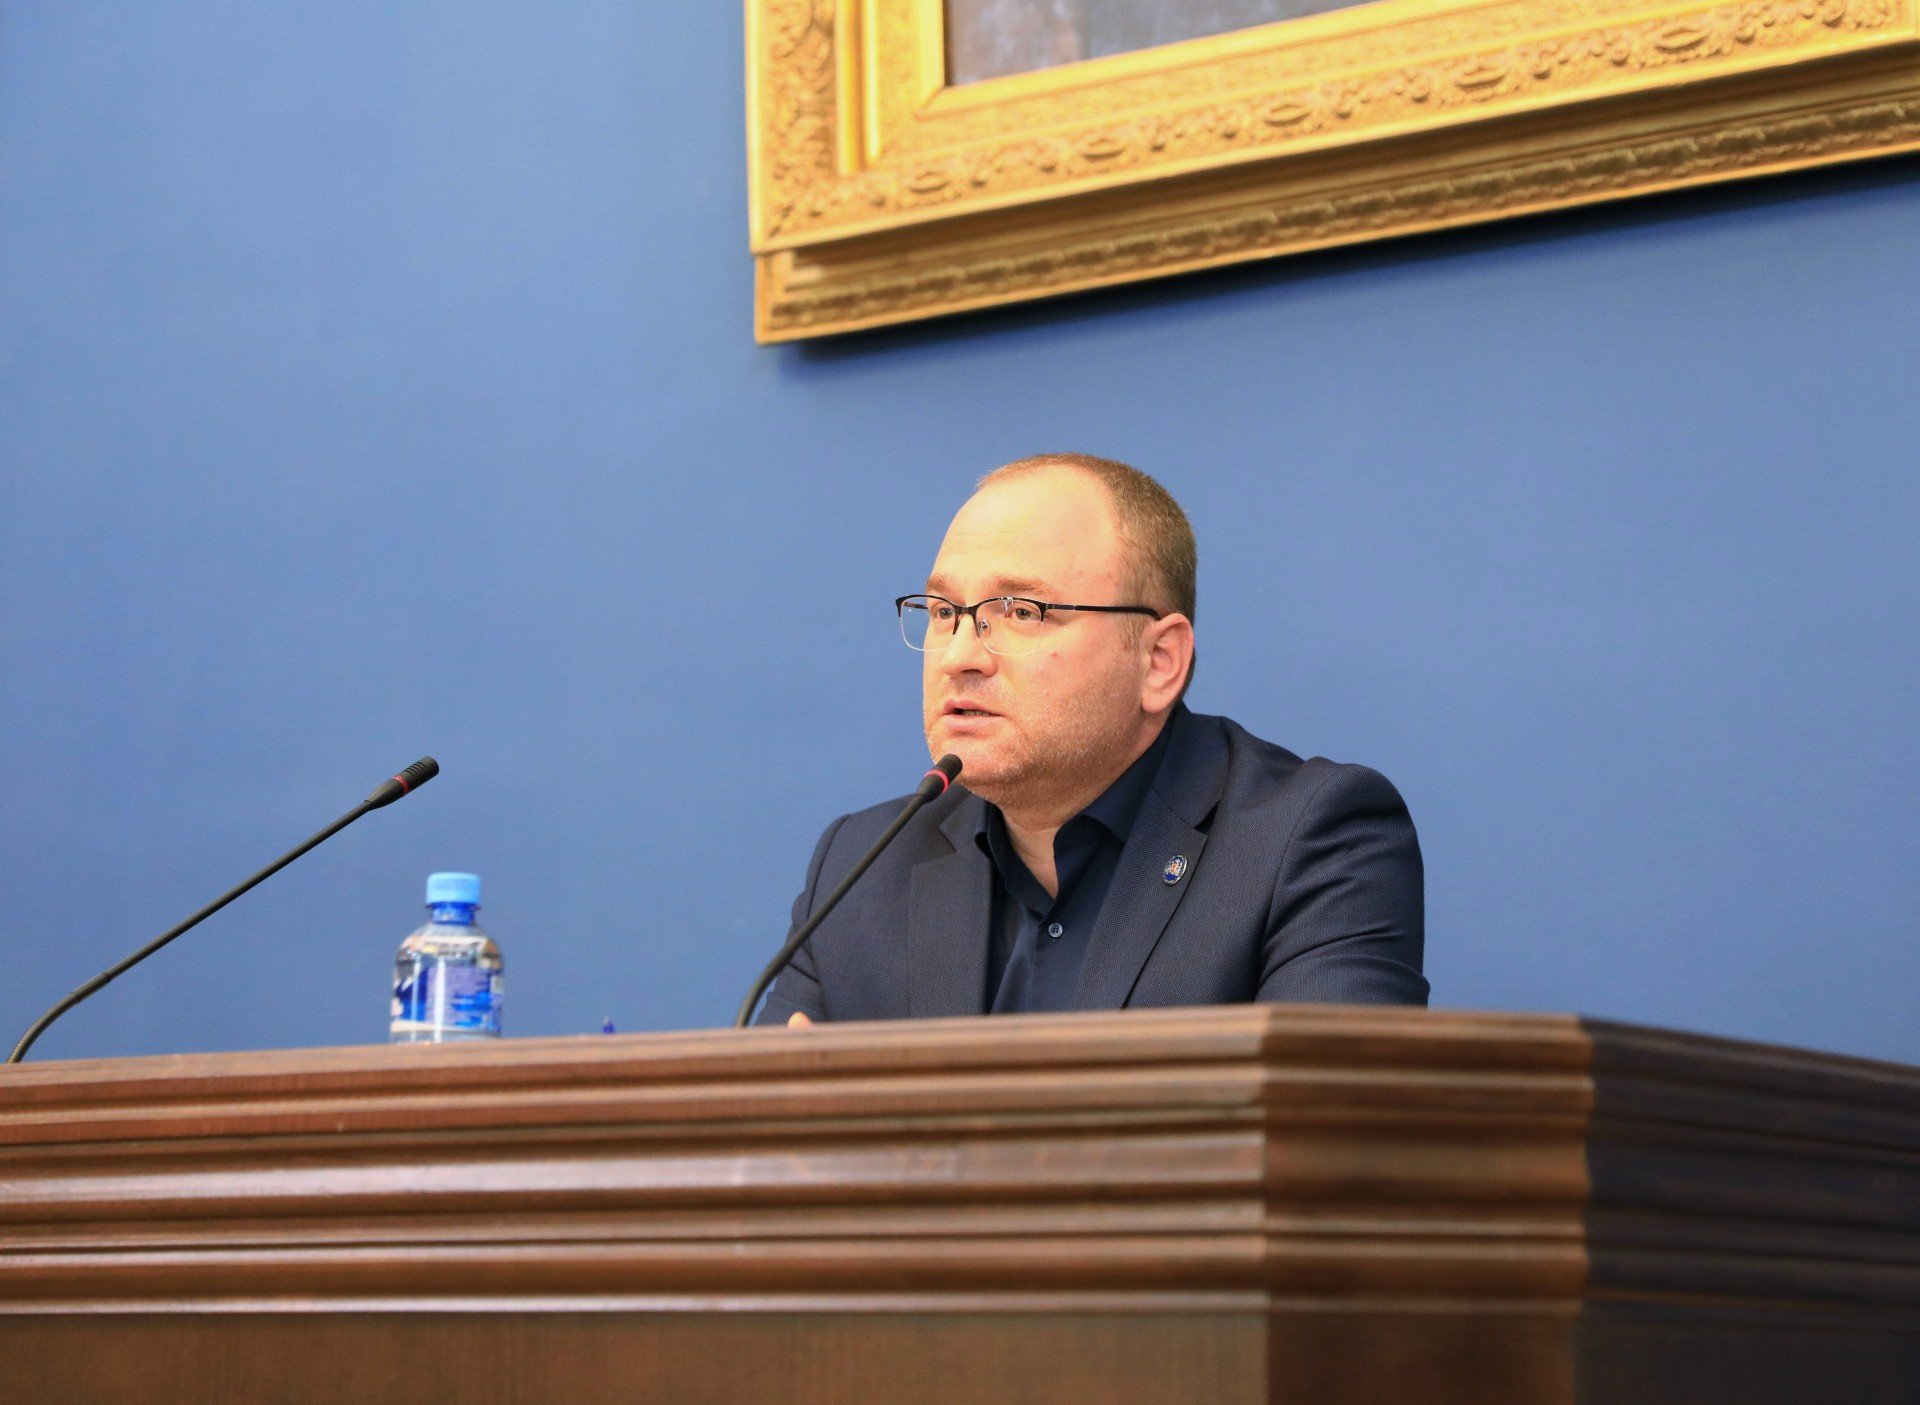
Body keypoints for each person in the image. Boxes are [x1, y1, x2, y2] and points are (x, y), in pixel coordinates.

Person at [757, 453, 1426, 1026]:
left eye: (1020, 611)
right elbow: (771, 1123)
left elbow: (1322, 1125)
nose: (959, 655)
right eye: (942, 612)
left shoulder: (1311, 843)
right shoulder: (860, 869)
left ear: (1158, 660)